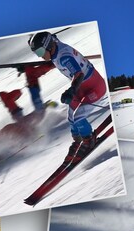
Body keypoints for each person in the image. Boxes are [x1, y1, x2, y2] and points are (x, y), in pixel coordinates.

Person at [26, 31, 108, 163]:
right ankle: (78, 141)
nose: (40, 57)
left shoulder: (64, 57)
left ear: (48, 46)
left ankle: (89, 140)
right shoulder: (54, 46)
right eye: (37, 54)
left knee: (78, 117)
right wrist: (32, 41)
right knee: (71, 116)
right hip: (82, 88)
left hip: (95, 87)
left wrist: (71, 91)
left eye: (40, 52)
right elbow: (52, 38)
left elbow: (79, 75)